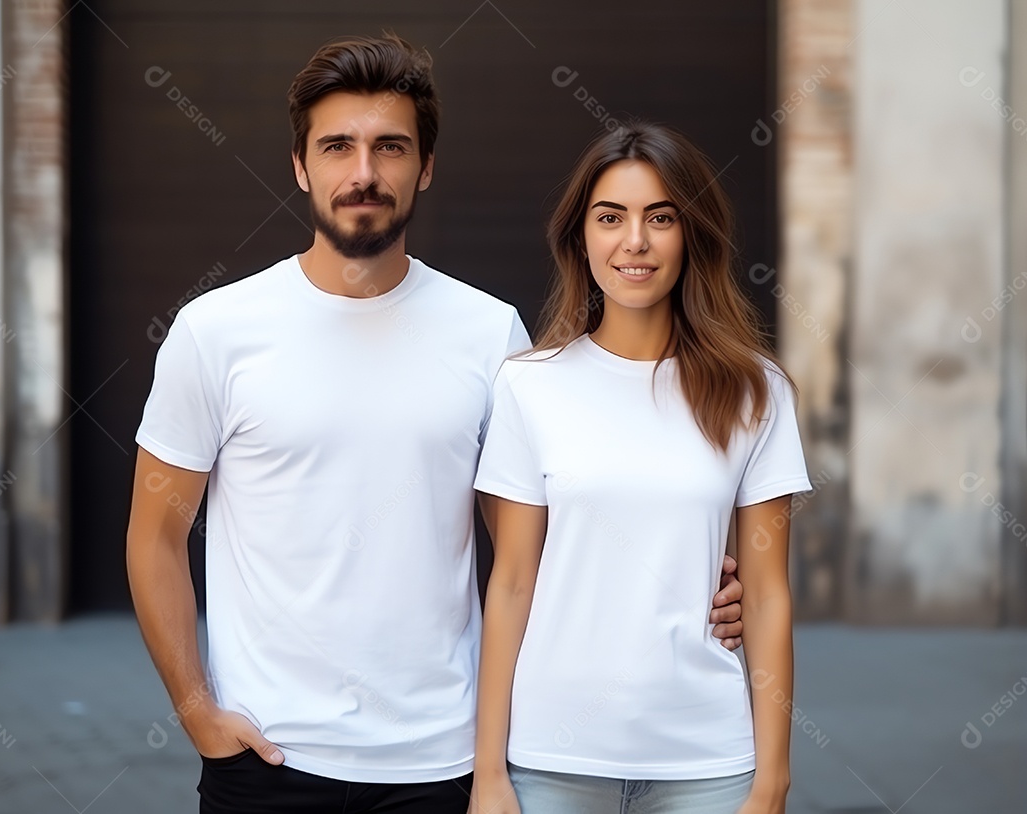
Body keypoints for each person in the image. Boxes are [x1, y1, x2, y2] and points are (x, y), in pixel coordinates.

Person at [125, 34, 745, 814]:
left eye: (390, 147)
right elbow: (154, 536)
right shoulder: (215, 332)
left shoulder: (491, 336)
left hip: (445, 765)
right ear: (299, 165)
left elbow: (552, 543)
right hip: (268, 759)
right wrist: (197, 711)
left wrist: (707, 577)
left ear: (424, 167)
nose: (363, 173)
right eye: (337, 147)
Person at [470, 122, 812, 814]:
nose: (635, 241)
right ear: (581, 238)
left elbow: (769, 595)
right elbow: (509, 584)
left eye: (661, 218)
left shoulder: (757, 390)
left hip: (708, 760)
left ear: (692, 236)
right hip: (551, 759)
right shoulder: (528, 386)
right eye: (610, 218)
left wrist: (771, 781)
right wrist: (489, 774)